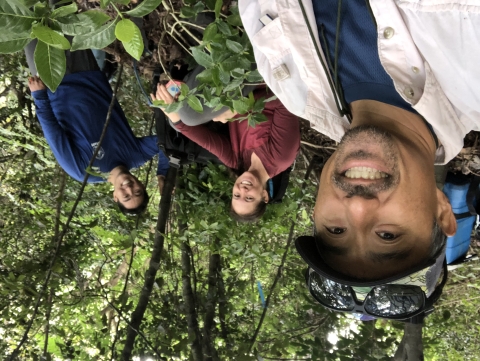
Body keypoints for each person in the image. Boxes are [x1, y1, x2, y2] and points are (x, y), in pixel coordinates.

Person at [238, 0, 480, 289]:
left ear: (315, 212)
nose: (357, 207)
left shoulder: (292, 87)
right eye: (388, 235)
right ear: (442, 211)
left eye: (336, 229)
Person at [26, 47, 169, 215]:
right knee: (66, 21)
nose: (129, 189)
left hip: (52, 83)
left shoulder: (84, 172)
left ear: (115, 197)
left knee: (26, 27)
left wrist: (40, 97)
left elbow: (53, 133)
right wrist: (162, 174)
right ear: (142, 185)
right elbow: (166, 142)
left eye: (126, 197)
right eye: (137, 192)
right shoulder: (136, 154)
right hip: (87, 72)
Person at [151, 83, 300, 222]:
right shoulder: (280, 158)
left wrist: (170, 112)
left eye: (237, 195)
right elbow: (285, 101)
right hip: (265, 82)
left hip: (235, 90)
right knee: (190, 116)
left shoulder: (237, 162)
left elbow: (205, 140)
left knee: (178, 119)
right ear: (264, 195)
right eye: (249, 198)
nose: (243, 190)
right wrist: (237, 109)